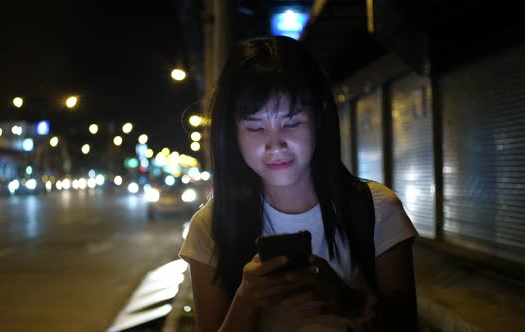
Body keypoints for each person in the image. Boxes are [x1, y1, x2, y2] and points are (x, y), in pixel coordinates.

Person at [179, 36, 418, 331]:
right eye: (255, 127)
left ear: (318, 117)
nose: (275, 144)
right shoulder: (210, 227)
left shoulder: (377, 209)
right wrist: (246, 299)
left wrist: (346, 301)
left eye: (291, 123)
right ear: (233, 134)